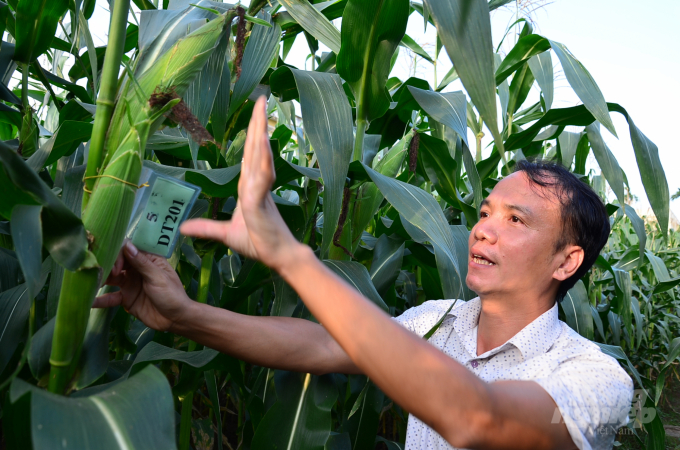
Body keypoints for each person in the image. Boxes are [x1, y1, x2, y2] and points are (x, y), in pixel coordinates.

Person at [94, 97, 633, 450]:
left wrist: (291, 256)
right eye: (486, 211)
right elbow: (320, 345)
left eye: (516, 220)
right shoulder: (438, 322)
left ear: (567, 261)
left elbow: (479, 419)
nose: (483, 230)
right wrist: (183, 314)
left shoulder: (595, 379)